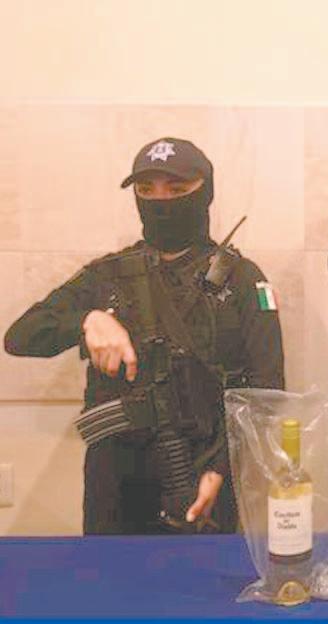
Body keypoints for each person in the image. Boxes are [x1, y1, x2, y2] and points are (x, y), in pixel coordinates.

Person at [4, 137, 285, 534]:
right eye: (146, 189)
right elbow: (20, 336)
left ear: (205, 192)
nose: (161, 200)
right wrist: (86, 320)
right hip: (115, 485)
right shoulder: (107, 276)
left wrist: (220, 469)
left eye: (177, 188)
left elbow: (267, 389)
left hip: (202, 477)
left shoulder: (241, 280)